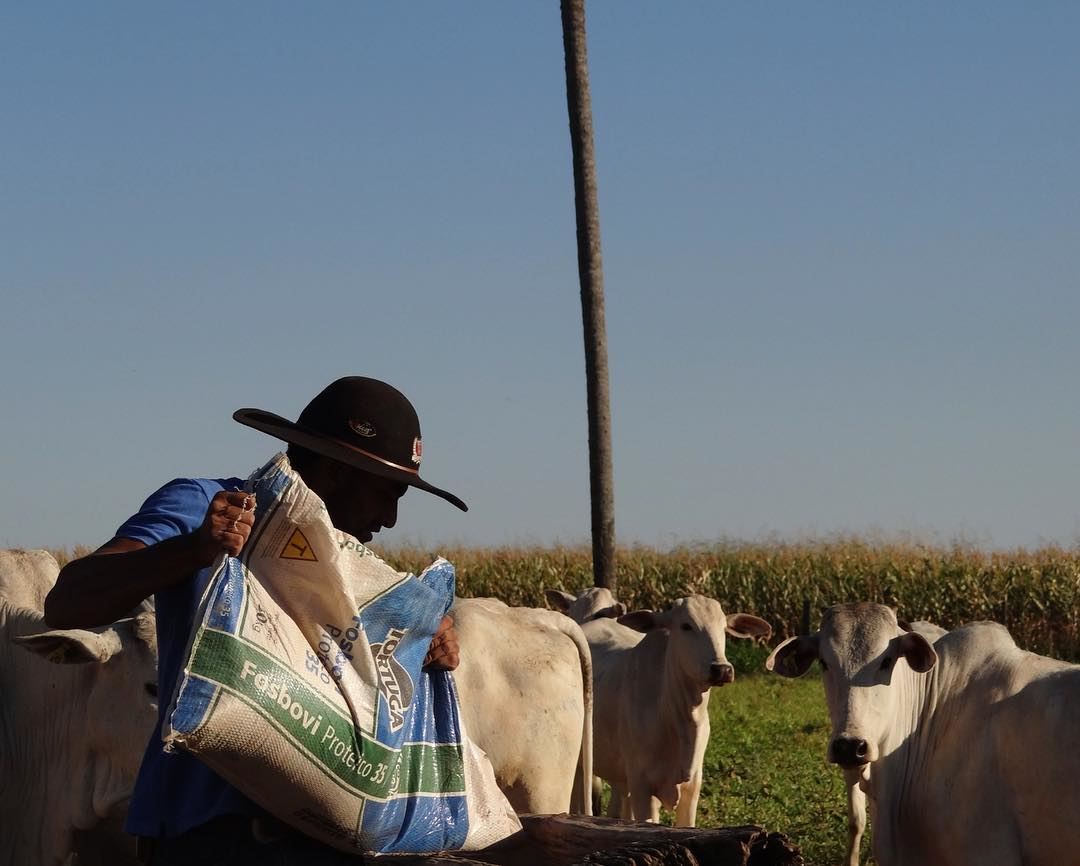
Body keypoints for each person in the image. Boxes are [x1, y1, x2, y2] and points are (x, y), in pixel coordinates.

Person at [44, 376, 467, 864]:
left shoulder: (358, 575)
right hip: (208, 841)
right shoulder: (205, 506)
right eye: (385, 492)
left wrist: (421, 650)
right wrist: (193, 549)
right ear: (332, 471)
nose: (391, 518)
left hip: (326, 842)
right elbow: (68, 602)